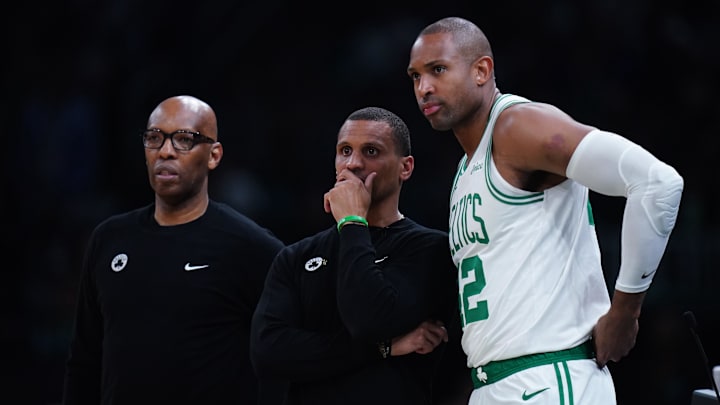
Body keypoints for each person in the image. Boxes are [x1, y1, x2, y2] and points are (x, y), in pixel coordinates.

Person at [406, 17, 684, 405]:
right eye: (415, 76)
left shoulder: (519, 126)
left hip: (551, 378)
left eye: (437, 70)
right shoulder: (464, 169)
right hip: (494, 383)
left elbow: (657, 183)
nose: (424, 87)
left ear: (482, 70)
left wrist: (626, 311)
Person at [62, 95, 285, 405]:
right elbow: (85, 359)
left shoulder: (249, 246)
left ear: (213, 155)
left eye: (183, 140)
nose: (165, 151)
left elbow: (291, 355)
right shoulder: (108, 239)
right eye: (154, 138)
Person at [249, 106, 460, 404]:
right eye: (344, 150)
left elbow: (369, 321)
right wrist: (384, 348)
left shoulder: (431, 249)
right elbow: (268, 353)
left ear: (406, 167)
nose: (354, 163)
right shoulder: (296, 256)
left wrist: (351, 223)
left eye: (371, 151)